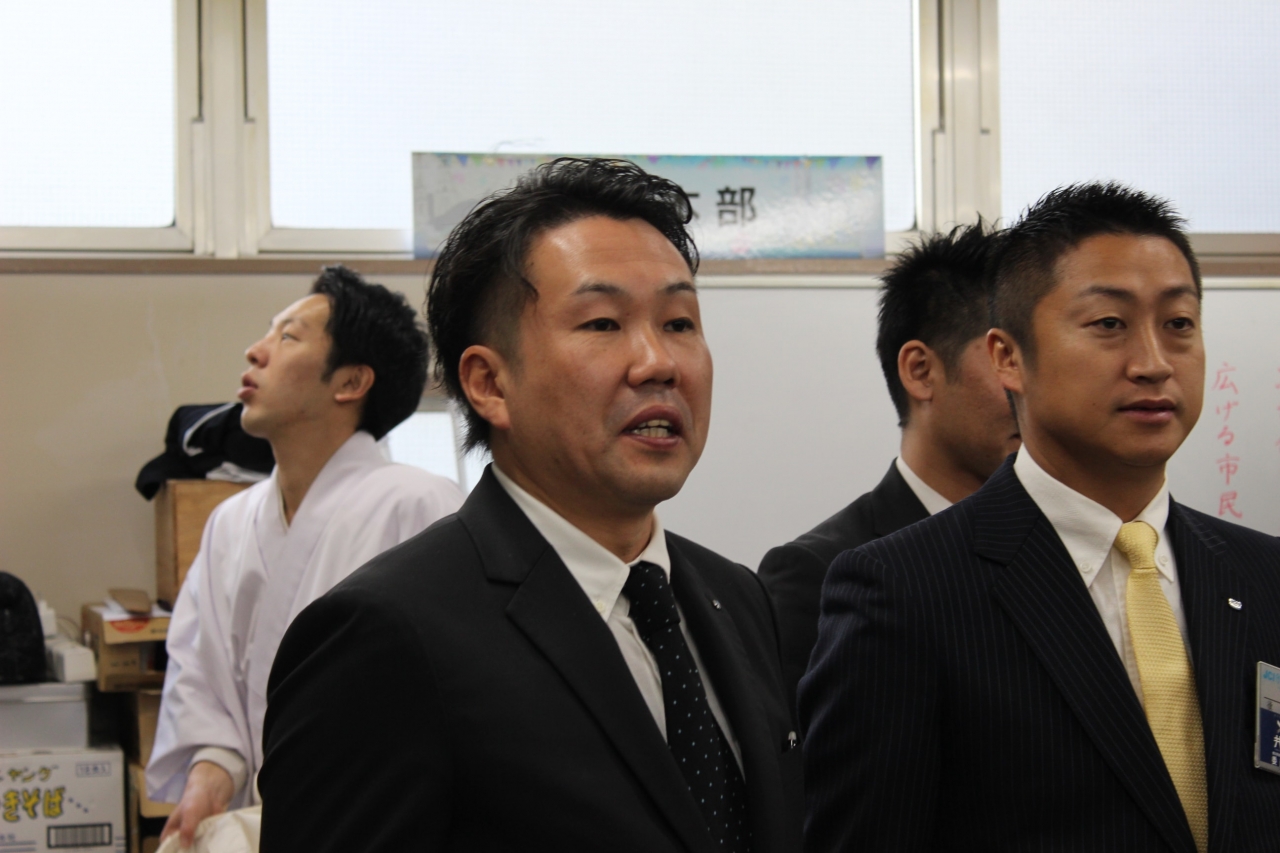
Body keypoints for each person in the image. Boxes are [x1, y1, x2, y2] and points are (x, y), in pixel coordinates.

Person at [259, 158, 803, 853]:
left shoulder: (738, 597)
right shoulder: (386, 635)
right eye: (603, 323)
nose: (659, 363)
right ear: (489, 383)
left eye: (679, 322)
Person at [801, 182, 1280, 851]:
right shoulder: (901, 590)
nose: (1153, 363)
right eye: (1108, 324)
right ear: (1008, 358)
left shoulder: (1263, 574)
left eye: (1179, 324)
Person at [147, 265, 464, 846]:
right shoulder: (231, 522)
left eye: (288, 336)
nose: (256, 351)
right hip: (262, 818)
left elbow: (457, 699)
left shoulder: (421, 505)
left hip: (379, 825)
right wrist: (211, 770)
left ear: (351, 382)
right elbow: (200, 671)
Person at [758, 222, 1019, 709]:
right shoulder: (819, 572)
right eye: (1004, 357)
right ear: (921, 370)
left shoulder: (1062, 550)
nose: (1031, 387)